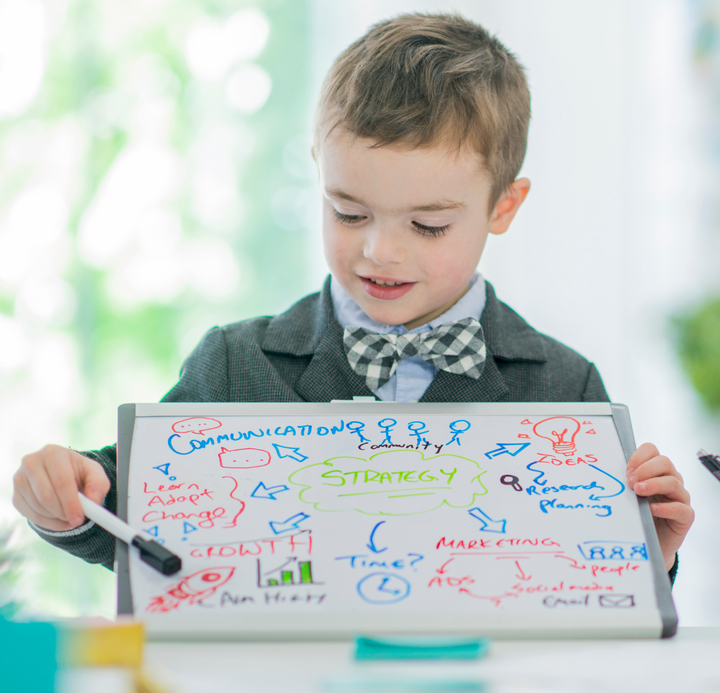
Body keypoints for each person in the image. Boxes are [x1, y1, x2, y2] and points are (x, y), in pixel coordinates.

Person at [12, 13, 693, 579]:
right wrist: (65, 496)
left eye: (427, 225)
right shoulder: (232, 364)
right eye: (349, 213)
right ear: (319, 175)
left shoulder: (566, 388)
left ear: (504, 206)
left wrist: (648, 560)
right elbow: (130, 516)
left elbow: (590, 586)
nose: (381, 252)